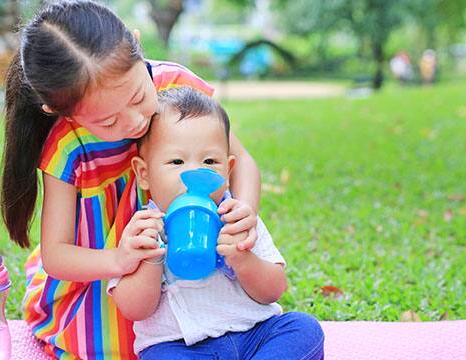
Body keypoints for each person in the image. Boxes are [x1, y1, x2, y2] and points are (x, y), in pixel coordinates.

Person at [0, 1, 261, 358]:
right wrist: (120, 260)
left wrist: (243, 210)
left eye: (138, 96)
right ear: (58, 110)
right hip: (106, 273)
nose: (134, 122)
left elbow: (241, 160)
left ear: (137, 45)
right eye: (107, 122)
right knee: (123, 345)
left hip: (195, 254)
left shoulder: (177, 88)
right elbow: (57, 255)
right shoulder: (67, 146)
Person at [109, 87, 324, 359]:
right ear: (144, 173)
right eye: (177, 161)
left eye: (210, 161)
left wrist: (243, 259)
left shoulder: (236, 218)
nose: (194, 173)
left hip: (255, 334)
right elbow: (133, 309)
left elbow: (274, 291)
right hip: (180, 346)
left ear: (228, 169)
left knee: (304, 329)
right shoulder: (142, 229)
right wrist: (151, 260)